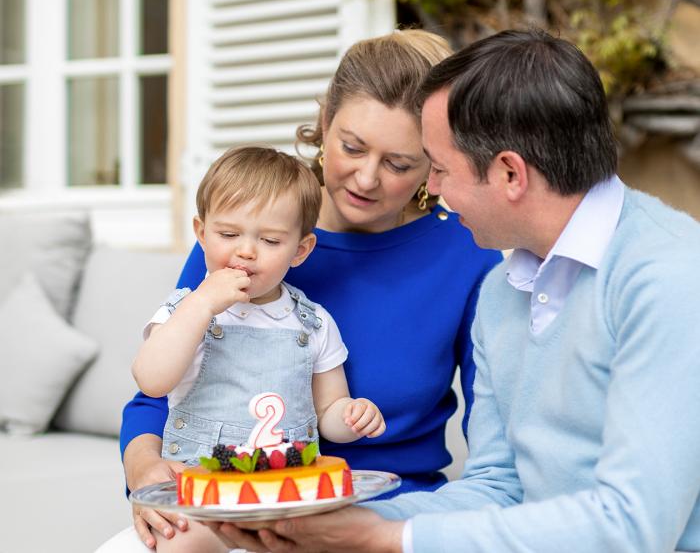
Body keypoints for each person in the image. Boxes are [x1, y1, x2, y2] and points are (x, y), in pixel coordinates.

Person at [206, 28, 700, 553]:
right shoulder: (504, 292)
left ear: (510, 173)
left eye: (436, 168)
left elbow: (634, 526)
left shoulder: (669, 278)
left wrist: (388, 537)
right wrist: (311, 527)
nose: (431, 191)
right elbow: (497, 488)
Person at [110, 30, 502, 551]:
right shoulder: (247, 232)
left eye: (398, 163)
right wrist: (145, 472)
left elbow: (497, 451)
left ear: (435, 159)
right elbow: (160, 390)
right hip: (234, 504)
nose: (365, 178)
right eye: (352, 147)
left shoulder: (469, 254)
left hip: (385, 513)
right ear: (324, 124)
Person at [130, 145, 384, 552]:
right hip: (203, 497)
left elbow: (328, 412)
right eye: (229, 234)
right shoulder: (185, 310)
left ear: (299, 251)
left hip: (287, 499)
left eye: (269, 240)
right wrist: (202, 304)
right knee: (180, 542)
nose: (246, 251)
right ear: (201, 233)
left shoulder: (313, 322)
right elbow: (152, 381)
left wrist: (352, 417)